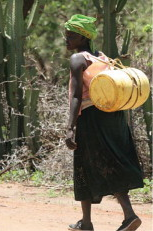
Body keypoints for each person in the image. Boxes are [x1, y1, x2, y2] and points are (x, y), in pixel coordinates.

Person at [64, 14, 144, 231]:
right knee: (100, 163)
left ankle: (129, 216)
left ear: (83, 38)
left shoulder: (78, 59)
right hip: (114, 117)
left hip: (92, 118)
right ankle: (86, 222)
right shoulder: (104, 58)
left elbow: (76, 97)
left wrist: (70, 127)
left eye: (71, 35)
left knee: (94, 163)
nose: (66, 39)